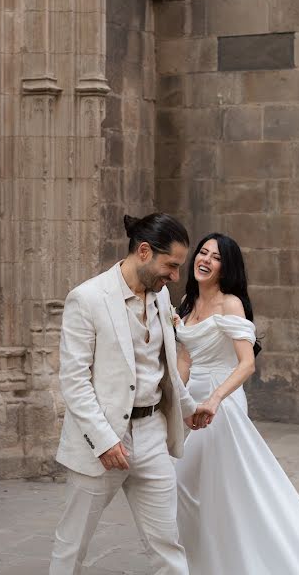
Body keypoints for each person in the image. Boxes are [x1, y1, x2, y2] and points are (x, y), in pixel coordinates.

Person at [174, 233, 299, 575]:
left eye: (216, 256)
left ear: (227, 267)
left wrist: (214, 399)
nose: (205, 259)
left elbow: (246, 364)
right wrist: (174, 402)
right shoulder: (186, 301)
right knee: (195, 487)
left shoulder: (231, 304)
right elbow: (184, 360)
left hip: (220, 402)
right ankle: (203, 561)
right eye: (202, 252)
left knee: (195, 484)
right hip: (190, 401)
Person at [49, 213, 214, 575]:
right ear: (143, 251)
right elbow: (75, 381)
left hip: (153, 433)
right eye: (170, 265)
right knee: (73, 542)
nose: (175, 276)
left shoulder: (161, 294)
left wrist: (188, 408)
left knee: (166, 541)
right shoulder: (87, 298)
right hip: (104, 440)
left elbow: (165, 366)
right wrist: (106, 442)